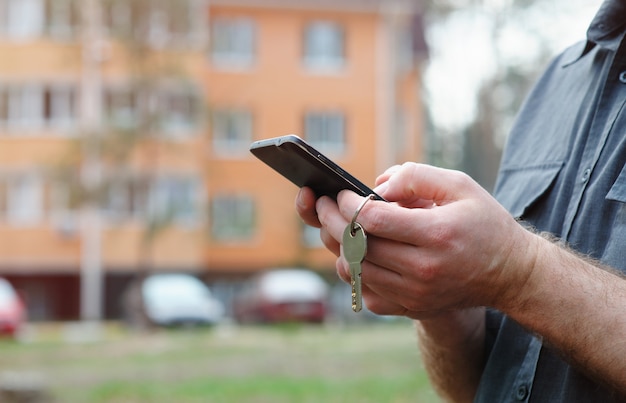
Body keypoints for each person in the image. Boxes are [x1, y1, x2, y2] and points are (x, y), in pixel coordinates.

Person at [295, 0, 626, 401]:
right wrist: (444, 305)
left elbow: (517, 273)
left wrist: (519, 272)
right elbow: (476, 388)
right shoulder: (559, 81)